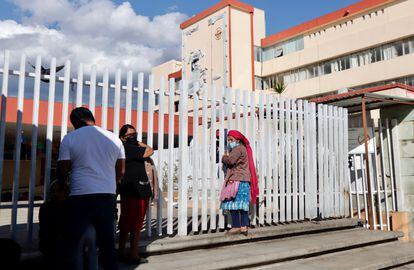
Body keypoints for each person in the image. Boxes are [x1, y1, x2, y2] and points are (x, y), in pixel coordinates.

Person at [57, 107, 125, 270]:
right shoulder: (114, 139)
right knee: (107, 245)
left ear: (76, 122)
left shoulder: (70, 138)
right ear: (91, 118)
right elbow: (121, 170)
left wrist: (62, 187)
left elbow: (62, 169)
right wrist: (109, 182)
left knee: (74, 243)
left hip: (80, 196)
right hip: (106, 196)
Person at [118, 124, 154, 265]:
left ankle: (124, 253)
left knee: (129, 224)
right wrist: (140, 143)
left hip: (135, 189)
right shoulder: (128, 148)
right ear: (122, 138)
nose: (133, 137)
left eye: (135, 134)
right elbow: (150, 151)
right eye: (130, 135)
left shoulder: (126, 148)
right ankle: (133, 255)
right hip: (135, 191)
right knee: (133, 225)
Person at [220, 130, 258, 236]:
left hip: (236, 179)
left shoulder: (237, 149)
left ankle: (236, 226)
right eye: (228, 140)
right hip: (244, 180)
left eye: (231, 140)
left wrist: (224, 157)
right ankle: (244, 226)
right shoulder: (244, 149)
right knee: (242, 204)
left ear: (237, 140)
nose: (229, 142)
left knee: (233, 203)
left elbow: (231, 161)